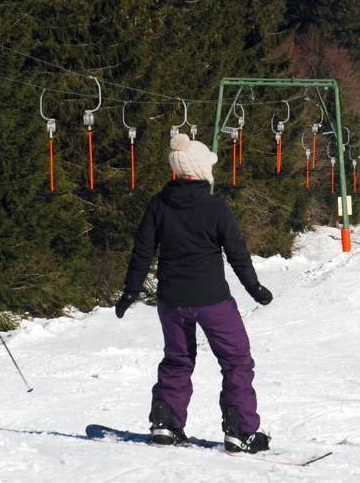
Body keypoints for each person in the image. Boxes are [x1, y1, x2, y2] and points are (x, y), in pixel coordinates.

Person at [115, 133, 273, 454]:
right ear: (200, 170)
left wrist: (131, 291)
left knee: (177, 359)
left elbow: (142, 251)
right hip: (213, 299)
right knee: (236, 359)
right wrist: (254, 288)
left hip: (172, 300)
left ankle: (165, 422)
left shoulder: (159, 204)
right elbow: (237, 253)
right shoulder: (215, 208)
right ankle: (239, 430)